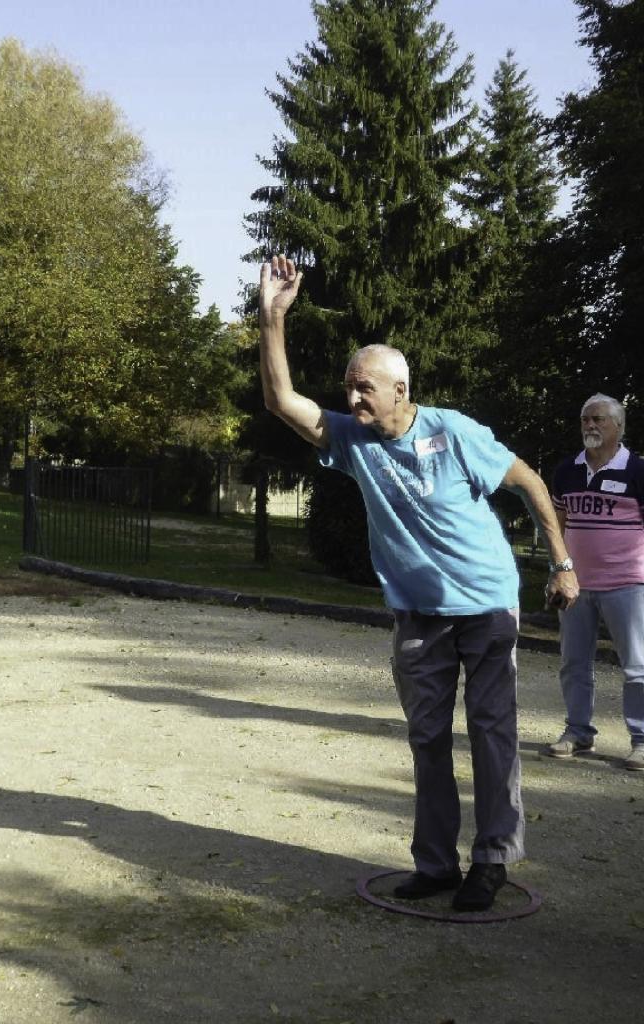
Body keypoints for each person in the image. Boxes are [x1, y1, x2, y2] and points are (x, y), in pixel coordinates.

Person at [259, 255, 579, 912]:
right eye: (349, 387)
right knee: (427, 736)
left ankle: (490, 860)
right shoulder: (352, 441)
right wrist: (272, 318)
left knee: (492, 732)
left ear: (401, 390)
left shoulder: (453, 431)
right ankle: (434, 864)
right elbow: (280, 400)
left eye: (364, 388)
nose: (351, 398)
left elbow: (531, 483)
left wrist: (562, 561)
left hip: (487, 603)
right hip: (417, 614)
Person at [547, 394, 644, 771]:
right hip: (575, 585)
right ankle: (578, 731)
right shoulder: (566, 471)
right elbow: (557, 525)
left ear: (617, 426)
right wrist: (558, 570)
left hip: (628, 584)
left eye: (599, 419)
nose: (590, 425)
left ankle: (640, 740)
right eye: (585, 419)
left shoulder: (637, 470)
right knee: (574, 662)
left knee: (637, 665)